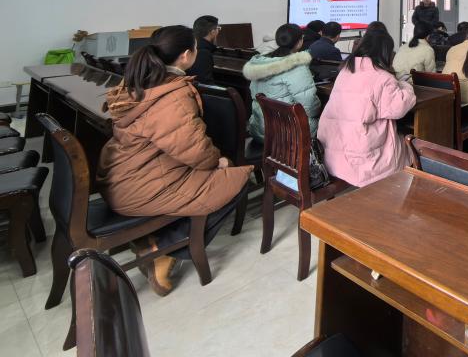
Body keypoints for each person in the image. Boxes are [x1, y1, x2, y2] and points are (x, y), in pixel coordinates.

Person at [96, 26, 251, 295]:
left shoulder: (140, 81)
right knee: (237, 180)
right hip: (138, 187)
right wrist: (219, 162)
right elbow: (195, 151)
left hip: (121, 176)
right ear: (186, 55)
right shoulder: (172, 94)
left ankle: (153, 236)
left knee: (214, 175)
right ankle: (165, 249)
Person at [318, 30, 417, 187]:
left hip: (333, 153)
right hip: (363, 159)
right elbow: (399, 108)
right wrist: (406, 85)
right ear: (385, 52)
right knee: (413, 147)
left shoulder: (345, 70)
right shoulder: (382, 77)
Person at [244, 24, 320, 142]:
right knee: (328, 125)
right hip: (285, 133)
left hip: (260, 129)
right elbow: (310, 107)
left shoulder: (260, 63)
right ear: (300, 42)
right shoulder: (296, 66)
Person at [190, 15, 220, 83]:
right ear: (213, 32)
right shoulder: (203, 53)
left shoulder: (193, 46)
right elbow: (205, 84)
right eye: (218, 29)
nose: (218, 32)